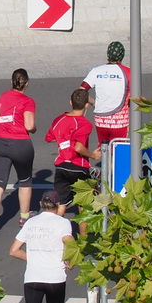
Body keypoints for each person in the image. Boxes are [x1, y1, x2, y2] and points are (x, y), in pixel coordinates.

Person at [10, 192, 74, 303]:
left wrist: (33, 257)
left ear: (40, 204)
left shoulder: (31, 222)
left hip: (33, 278)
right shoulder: (63, 223)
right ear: (58, 205)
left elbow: (14, 250)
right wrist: (69, 261)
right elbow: (70, 243)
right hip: (55, 278)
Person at [0, 68, 36, 238]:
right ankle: (24, 217)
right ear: (27, 84)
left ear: (11, 81)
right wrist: (34, 129)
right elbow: (29, 125)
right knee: (25, 180)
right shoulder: (28, 101)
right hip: (20, 144)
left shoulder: (2, 97)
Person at [44, 87, 94, 216]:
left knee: (61, 204)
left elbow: (49, 138)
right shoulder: (85, 124)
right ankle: (83, 230)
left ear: (70, 102)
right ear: (86, 105)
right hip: (79, 167)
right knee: (83, 206)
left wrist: (64, 139)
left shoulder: (59, 120)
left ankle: (54, 228)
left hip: (61, 166)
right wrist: (93, 155)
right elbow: (78, 147)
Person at [82, 42, 131, 159]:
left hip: (101, 119)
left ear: (108, 54)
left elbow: (81, 91)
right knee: (119, 151)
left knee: (103, 148)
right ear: (122, 55)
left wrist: (94, 103)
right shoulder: (128, 72)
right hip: (119, 120)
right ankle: (116, 170)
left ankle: (105, 169)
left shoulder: (96, 71)